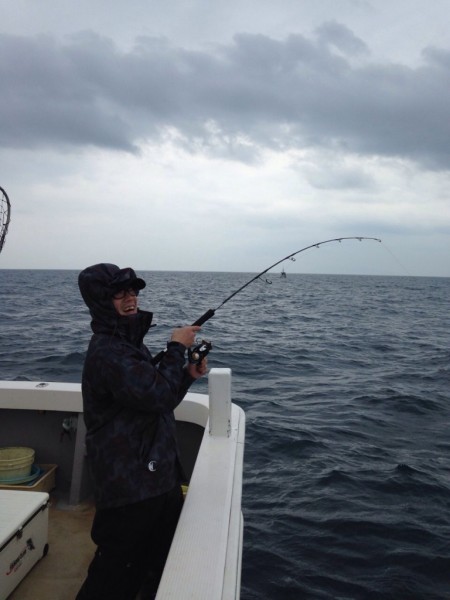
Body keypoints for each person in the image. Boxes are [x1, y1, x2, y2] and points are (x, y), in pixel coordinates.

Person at [76, 263, 207, 600]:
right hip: (128, 488)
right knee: (113, 573)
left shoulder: (128, 345)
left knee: (154, 564)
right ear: (100, 300)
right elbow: (158, 394)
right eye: (119, 293)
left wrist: (187, 375)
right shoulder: (109, 352)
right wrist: (176, 348)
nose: (130, 297)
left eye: (133, 290)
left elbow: (156, 400)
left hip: (155, 477)